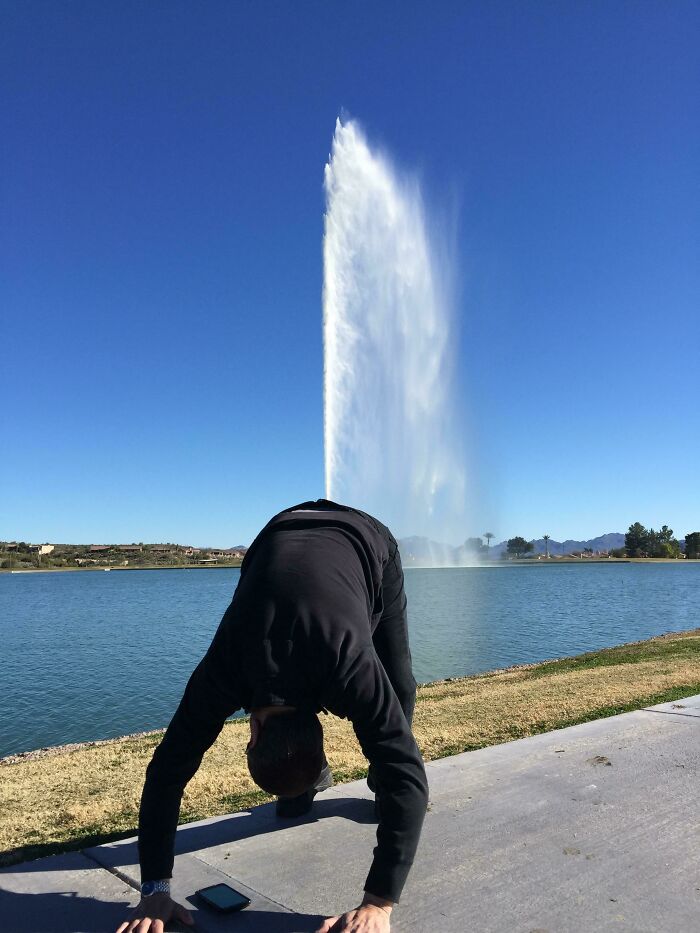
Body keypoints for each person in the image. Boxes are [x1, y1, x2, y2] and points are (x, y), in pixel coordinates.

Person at [115, 499, 428, 933]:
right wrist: (153, 891)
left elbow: (405, 775)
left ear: (254, 727)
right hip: (273, 538)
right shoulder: (227, 668)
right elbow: (165, 770)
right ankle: (298, 790)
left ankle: (368, 787)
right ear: (255, 730)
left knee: (400, 686)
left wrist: (379, 903)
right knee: (383, 712)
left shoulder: (345, 664)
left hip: (367, 540)